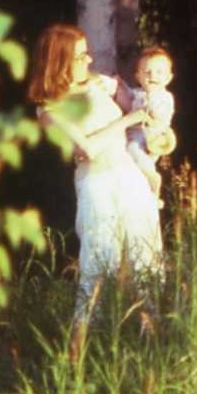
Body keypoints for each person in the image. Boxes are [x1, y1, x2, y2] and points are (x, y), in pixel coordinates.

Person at [27, 24, 164, 329]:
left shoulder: (97, 86)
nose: (88, 61)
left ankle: (153, 343)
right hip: (98, 186)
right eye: (80, 56)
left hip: (131, 179)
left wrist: (138, 105)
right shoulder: (50, 109)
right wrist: (126, 120)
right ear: (60, 61)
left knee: (146, 263)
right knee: (98, 267)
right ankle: (78, 352)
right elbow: (85, 148)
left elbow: (140, 113)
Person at [121, 45, 177, 203]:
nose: (153, 76)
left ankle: (154, 180)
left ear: (168, 78)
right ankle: (152, 195)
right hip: (137, 133)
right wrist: (121, 84)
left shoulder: (164, 97)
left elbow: (159, 115)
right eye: (147, 72)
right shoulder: (139, 93)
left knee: (133, 150)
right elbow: (128, 94)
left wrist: (151, 99)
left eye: (159, 72)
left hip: (152, 136)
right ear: (138, 76)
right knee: (137, 163)